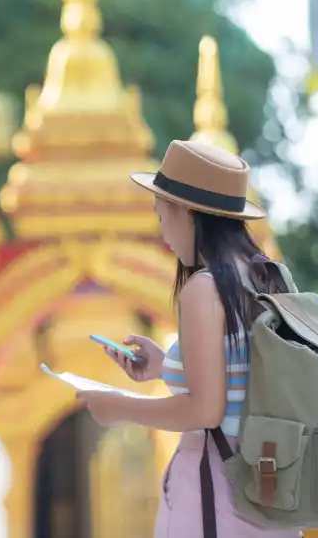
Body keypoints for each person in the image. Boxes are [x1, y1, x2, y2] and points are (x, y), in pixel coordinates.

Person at [76, 139, 302, 538]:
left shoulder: (205, 286)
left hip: (218, 493)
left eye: (161, 213)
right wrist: (167, 366)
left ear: (184, 211)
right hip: (269, 491)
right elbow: (242, 379)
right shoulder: (268, 276)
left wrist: (121, 406)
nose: (161, 228)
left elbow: (204, 412)